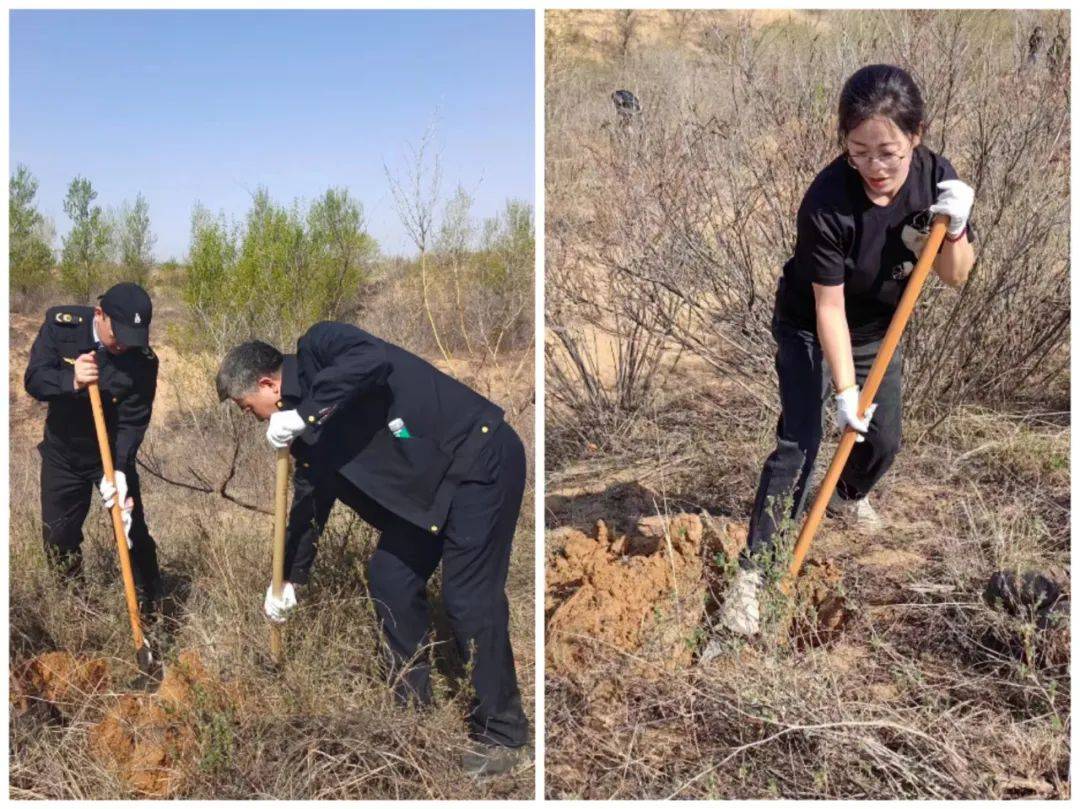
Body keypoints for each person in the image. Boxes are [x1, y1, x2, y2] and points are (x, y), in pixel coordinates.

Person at [721, 64, 976, 636]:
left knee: (884, 439)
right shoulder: (826, 202)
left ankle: (847, 495)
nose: (875, 168)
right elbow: (827, 309)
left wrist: (956, 229)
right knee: (800, 443)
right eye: (858, 151)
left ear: (916, 134)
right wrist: (843, 391)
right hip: (809, 327)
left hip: (878, 330)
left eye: (888, 151)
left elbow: (955, 276)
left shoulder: (936, 180)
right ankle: (753, 577)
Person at [216, 321, 530, 775]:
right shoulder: (304, 439)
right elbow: (308, 507)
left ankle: (506, 738)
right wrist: (287, 581)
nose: (255, 418)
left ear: (267, 384)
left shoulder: (321, 347)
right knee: (390, 578)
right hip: (429, 498)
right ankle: (412, 717)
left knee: (469, 600)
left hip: (478, 461)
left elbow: (371, 359)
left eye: (250, 408)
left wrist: (306, 415)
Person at [24, 282, 163, 617]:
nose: (124, 346)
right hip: (64, 454)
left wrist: (118, 470)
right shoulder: (62, 327)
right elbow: (35, 379)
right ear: (100, 315)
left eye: (134, 338)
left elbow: (134, 419)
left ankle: (152, 607)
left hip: (111, 455)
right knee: (59, 535)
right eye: (119, 336)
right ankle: (76, 607)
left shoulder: (143, 360)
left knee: (132, 532)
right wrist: (70, 380)